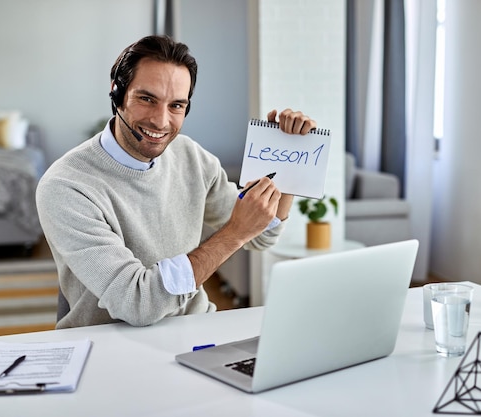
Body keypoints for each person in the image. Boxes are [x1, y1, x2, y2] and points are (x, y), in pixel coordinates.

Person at [36, 35, 317, 329]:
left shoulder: (191, 157)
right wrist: (234, 233)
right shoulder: (65, 186)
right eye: (147, 99)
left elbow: (262, 235)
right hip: (107, 345)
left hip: (195, 332)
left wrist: (289, 157)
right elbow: (137, 302)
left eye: (176, 106)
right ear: (117, 92)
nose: (161, 121)